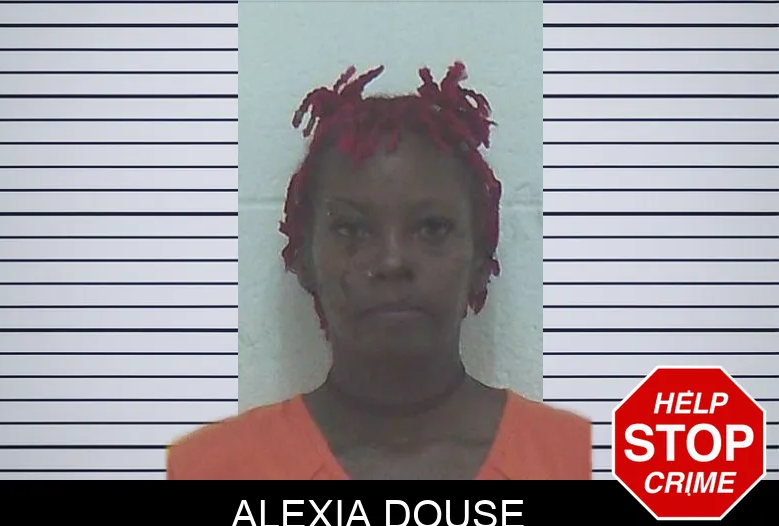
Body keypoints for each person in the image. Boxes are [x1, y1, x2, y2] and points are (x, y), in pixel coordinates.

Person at [167, 62, 592, 480]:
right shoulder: (203, 469)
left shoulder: (582, 461)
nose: (392, 261)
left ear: (481, 260)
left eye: (432, 228)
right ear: (304, 259)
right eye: (352, 229)